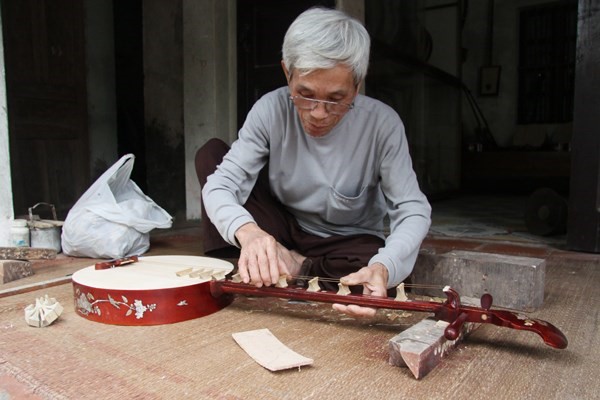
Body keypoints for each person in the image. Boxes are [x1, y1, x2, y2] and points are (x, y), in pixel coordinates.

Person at [195, 7, 431, 317]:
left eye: (336, 99)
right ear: (286, 72)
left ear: (357, 87)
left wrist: (384, 267)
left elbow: (412, 209)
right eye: (304, 94)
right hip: (283, 224)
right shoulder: (270, 110)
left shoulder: (382, 125)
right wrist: (249, 233)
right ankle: (266, 257)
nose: (318, 113)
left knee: (376, 276)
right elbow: (222, 184)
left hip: (345, 240)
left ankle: (291, 266)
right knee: (211, 155)